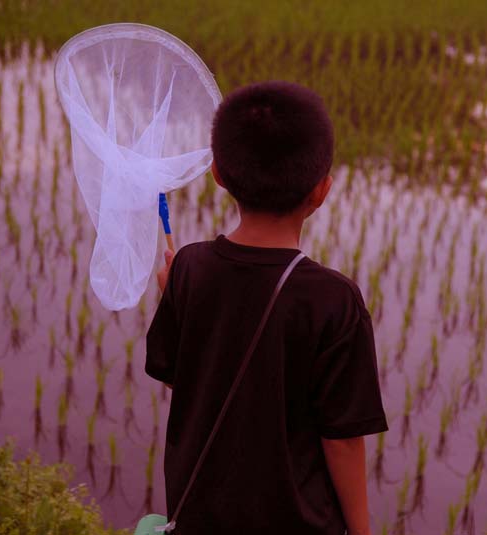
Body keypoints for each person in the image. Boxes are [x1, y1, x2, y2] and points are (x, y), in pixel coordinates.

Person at [145, 81, 388, 534]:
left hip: (200, 519)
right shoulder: (334, 299)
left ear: (218, 173)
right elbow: (342, 439)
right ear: (322, 190)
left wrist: (177, 293)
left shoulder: (190, 268)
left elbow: (189, 381)